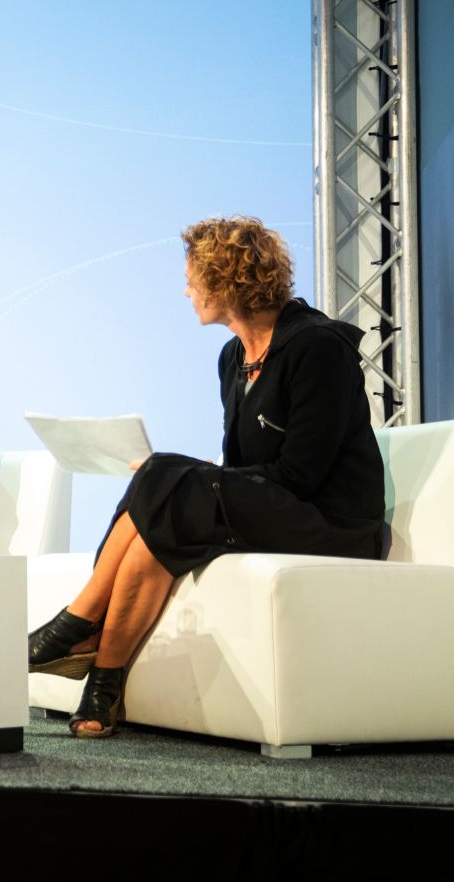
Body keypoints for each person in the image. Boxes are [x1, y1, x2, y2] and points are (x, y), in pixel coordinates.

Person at [28, 217, 386, 738]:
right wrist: (197, 479)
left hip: (332, 523)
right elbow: (240, 464)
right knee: (161, 516)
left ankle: (77, 625)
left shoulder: (317, 347)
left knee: (163, 477)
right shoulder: (233, 357)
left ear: (227, 281)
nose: (187, 289)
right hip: (278, 504)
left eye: (195, 277)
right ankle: (103, 685)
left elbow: (303, 475)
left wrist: (193, 478)